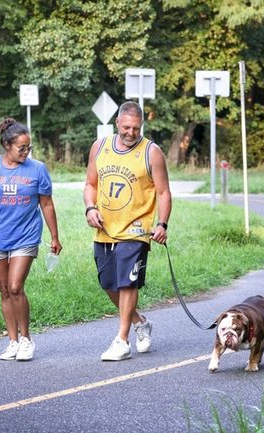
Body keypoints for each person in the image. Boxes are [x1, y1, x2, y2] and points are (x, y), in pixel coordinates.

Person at [0, 117, 62, 361]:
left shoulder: (37, 169)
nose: (26, 152)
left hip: (25, 236)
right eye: (22, 148)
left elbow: (47, 204)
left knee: (16, 286)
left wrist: (54, 236)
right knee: (4, 290)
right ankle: (12, 341)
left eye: (29, 147)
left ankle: (26, 339)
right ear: (7, 145)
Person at [84, 101, 172, 361]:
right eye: (126, 127)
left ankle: (121, 340)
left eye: (136, 128)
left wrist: (162, 224)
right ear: (117, 124)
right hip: (105, 229)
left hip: (136, 230)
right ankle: (139, 322)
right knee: (109, 284)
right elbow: (90, 184)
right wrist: (90, 208)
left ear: (141, 125)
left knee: (127, 283)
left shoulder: (151, 152)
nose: (131, 133)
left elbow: (164, 192)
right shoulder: (100, 147)